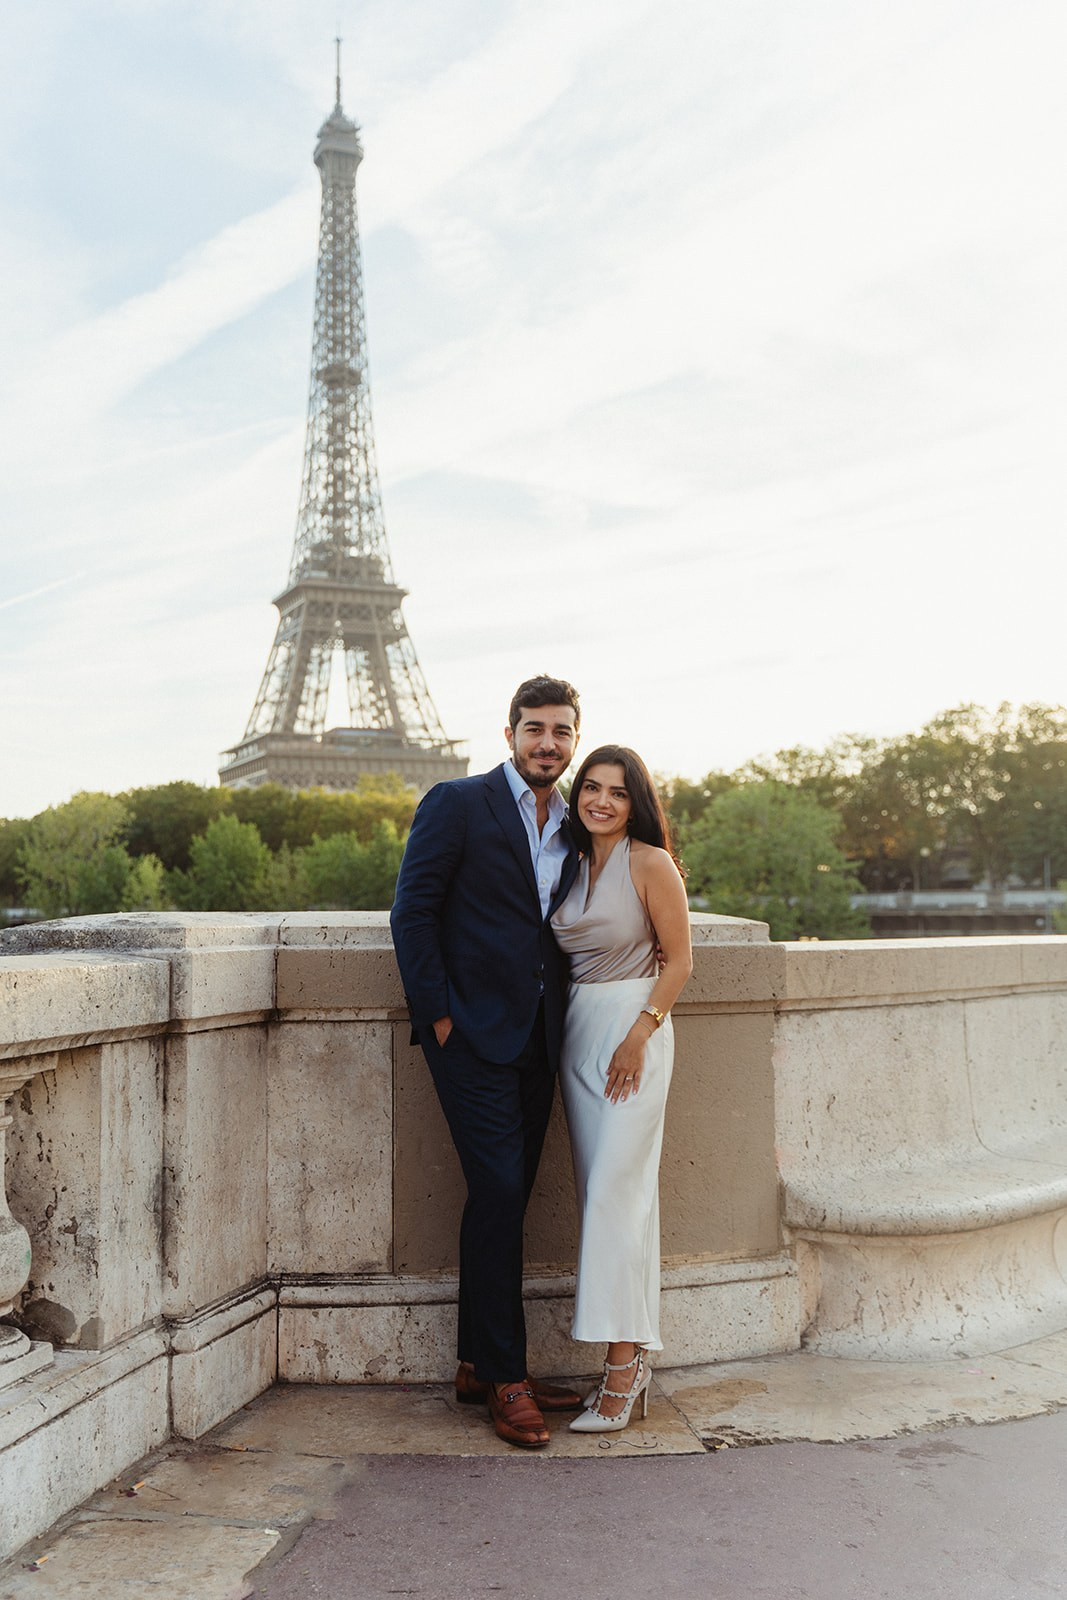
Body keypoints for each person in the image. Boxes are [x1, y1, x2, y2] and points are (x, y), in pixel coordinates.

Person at [390, 675, 586, 1449]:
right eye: (534, 728)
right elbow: (413, 910)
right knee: (501, 1190)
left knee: (502, 1199)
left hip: (540, 1037)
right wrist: (438, 1017)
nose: (547, 743)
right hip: (469, 1036)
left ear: (573, 740)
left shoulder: (576, 822)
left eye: (561, 731)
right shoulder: (456, 801)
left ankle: (479, 1361)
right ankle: (508, 1378)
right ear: (508, 735)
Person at [550, 744, 693, 1433]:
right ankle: (627, 1362)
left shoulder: (648, 861)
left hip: (633, 1031)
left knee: (617, 1196)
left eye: (616, 791)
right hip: (578, 1031)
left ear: (635, 802)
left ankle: (621, 1366)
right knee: (609, 1199)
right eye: (590, 787)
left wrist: (638, 1035)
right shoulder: (569, 862)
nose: (600, 800)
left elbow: (681, 960)